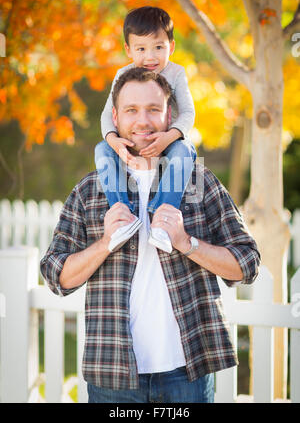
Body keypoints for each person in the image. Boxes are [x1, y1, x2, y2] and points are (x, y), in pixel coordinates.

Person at [40, 68, 260, 404]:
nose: (143, 121)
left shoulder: (199, 181)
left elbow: (247, 264)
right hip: (112, 374)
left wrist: (188, 244)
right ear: (114, 117)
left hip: (188, 371)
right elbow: (56, 276)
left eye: (153, 110)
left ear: (169, 115)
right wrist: (105, 244)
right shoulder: (90, 190)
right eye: (131, 110)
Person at [95, 6, 196, 254]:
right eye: (141, 49)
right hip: (130, 141)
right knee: (101, 149)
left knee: (184, 152)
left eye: (158, 48)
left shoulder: (176, 73)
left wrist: (169, 137)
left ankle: (162, 220)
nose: (150, 57)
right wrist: (113, 140)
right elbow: (108, 115)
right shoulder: (123, 74)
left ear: (171, 47)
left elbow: (188, 113)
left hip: (168, 138)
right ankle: (121, 216)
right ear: (129, 50)